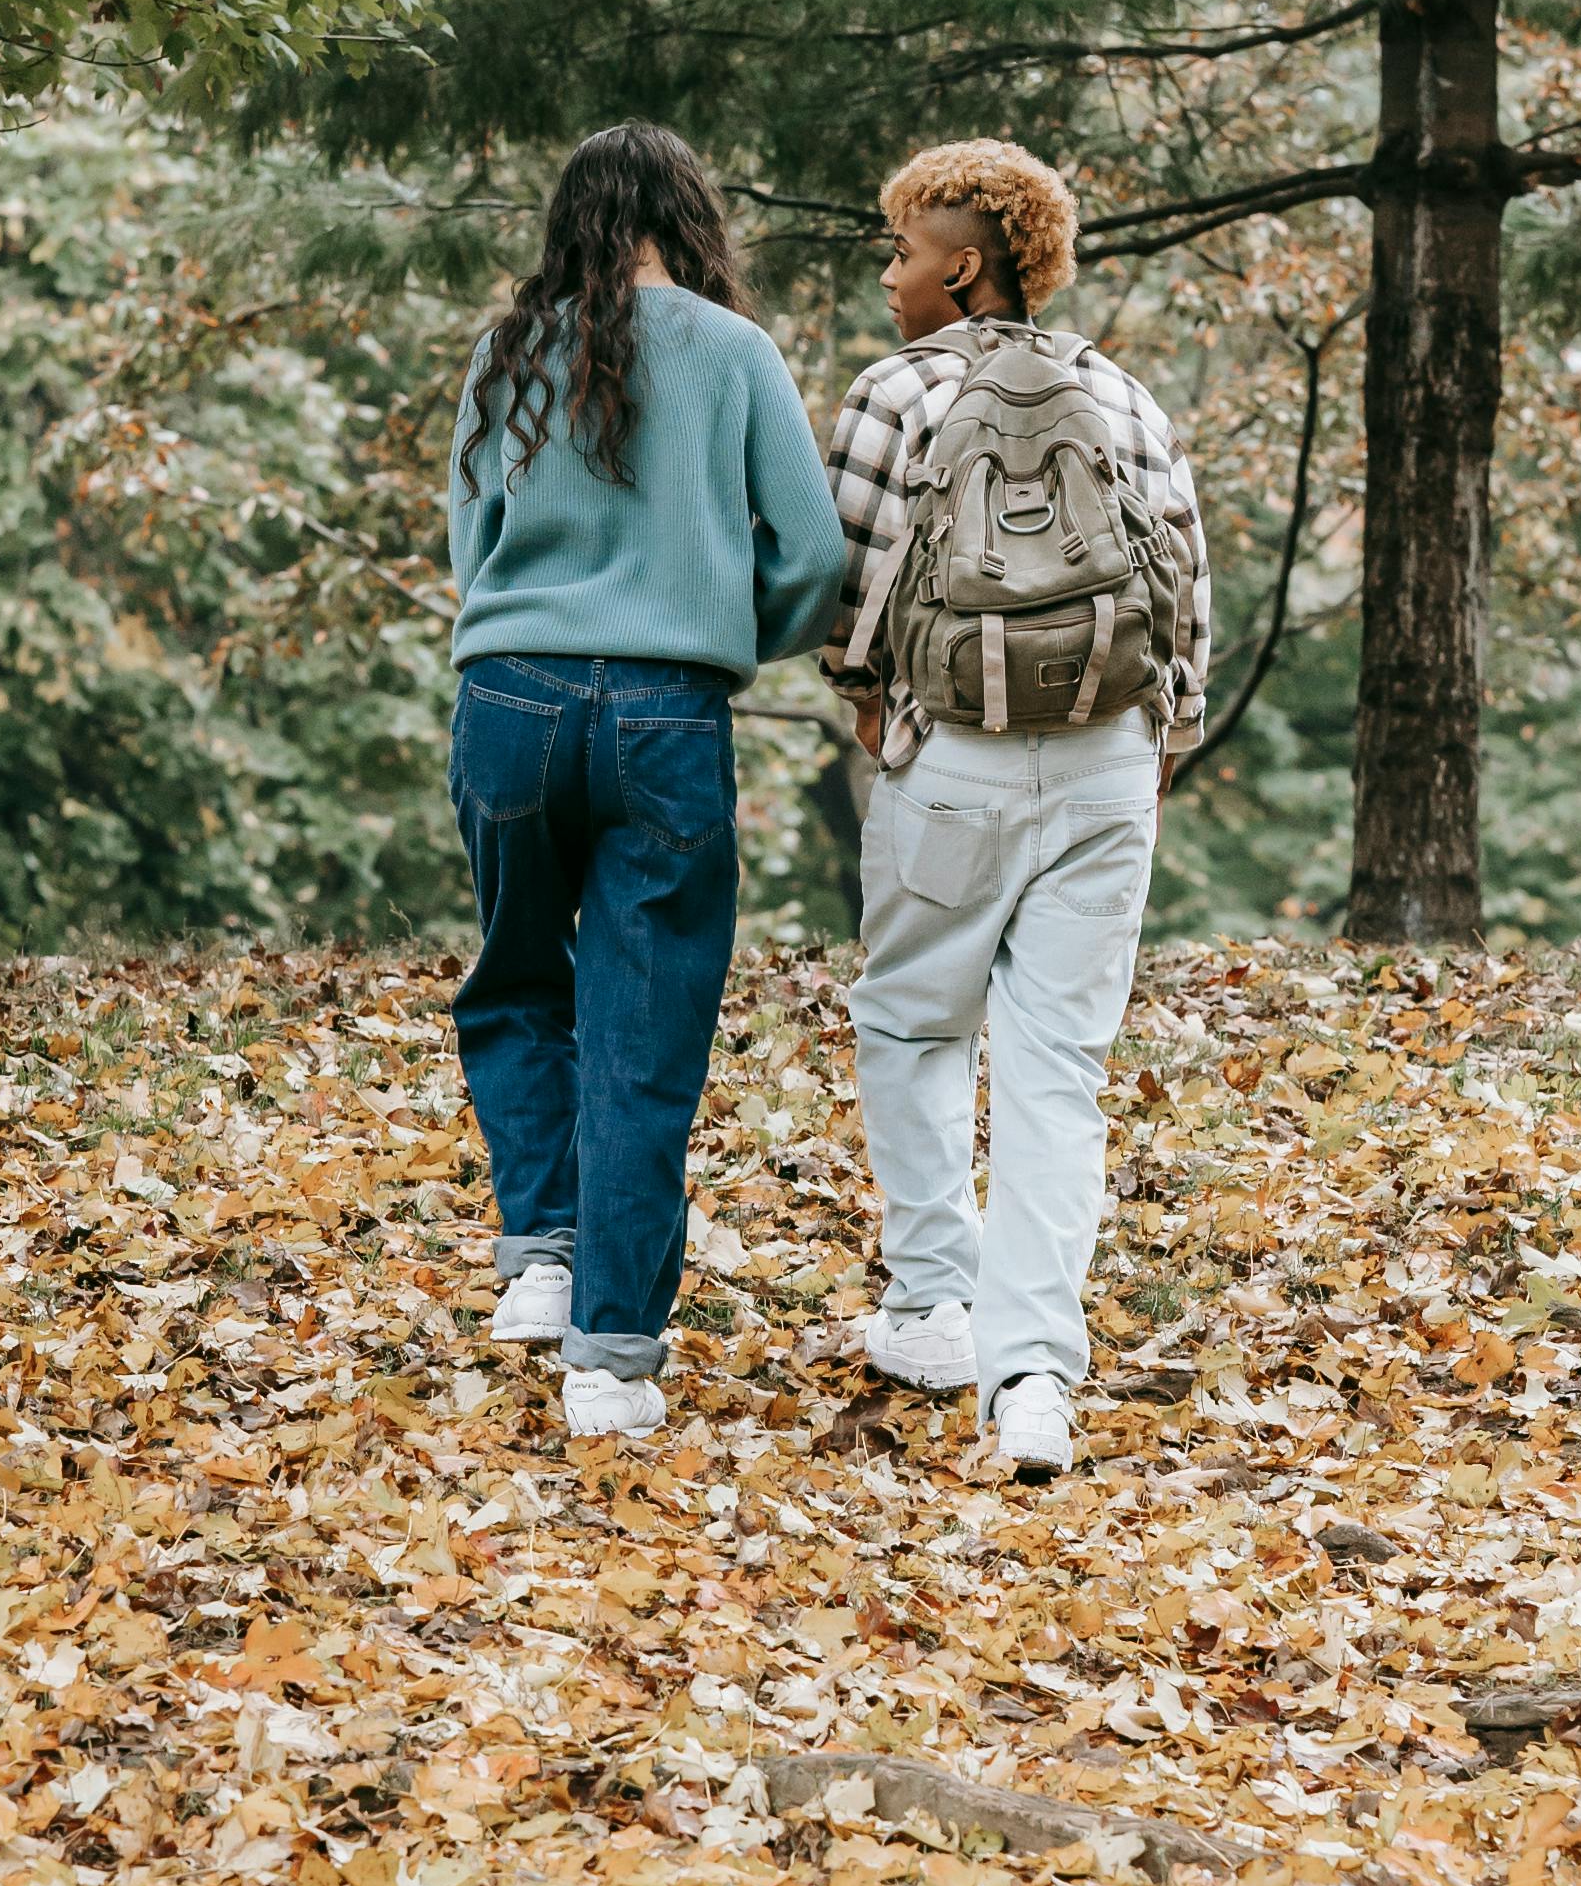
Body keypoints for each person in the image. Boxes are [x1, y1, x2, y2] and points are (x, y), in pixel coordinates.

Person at [446, 125, 848, 1445]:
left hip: (509, 698)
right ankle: (610, 1360)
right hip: (668, 710)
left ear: (570, 222)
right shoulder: (736, 356)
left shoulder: (506, 351)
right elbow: (815, 550)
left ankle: (541, 1250)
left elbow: (474, 545)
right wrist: (725, 619)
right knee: (645, 1029)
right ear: (693, 215)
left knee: (515, 981)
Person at [823, 137, 1209, 1479]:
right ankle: (1032, 1380)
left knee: (912, 1017)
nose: (891, 274)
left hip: (956, 759)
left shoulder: (893, 394)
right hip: (1107, 758)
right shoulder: (1123, 394)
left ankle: (935, 1300)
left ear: (964, 266)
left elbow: (851, 582)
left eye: (905, 251)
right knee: (1059, 1075)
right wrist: (1163, 737)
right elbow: (1183, 584)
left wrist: (868, 699)